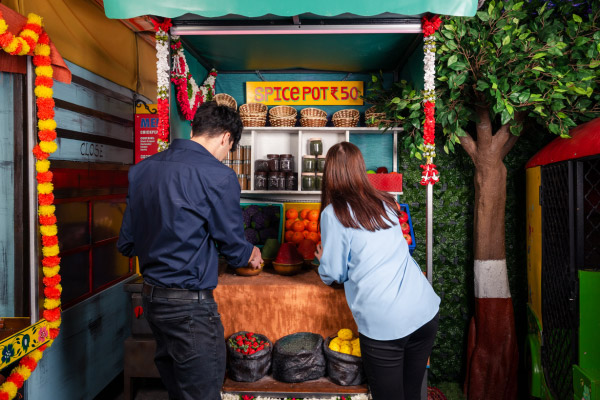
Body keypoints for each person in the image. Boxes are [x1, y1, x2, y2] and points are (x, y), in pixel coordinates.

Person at [117, 101, 263, 400]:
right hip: (189, 309)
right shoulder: (218, 176)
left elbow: (127, 243)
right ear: (226, 137)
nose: (226, 155)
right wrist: (250, 253)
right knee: (201, 393)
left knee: (178, 390)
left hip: (152, 300)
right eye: (229, 148)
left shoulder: (142, 170)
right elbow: (233, 248)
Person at [315, 142, 440, 400]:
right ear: (361, 169)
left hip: (385, 324)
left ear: (329, 174)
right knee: (411, 394)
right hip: (424, 311)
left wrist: (323, 260)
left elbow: (334, 274)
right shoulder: (385, 202)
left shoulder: (333, 214)